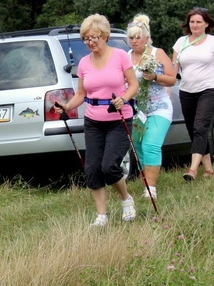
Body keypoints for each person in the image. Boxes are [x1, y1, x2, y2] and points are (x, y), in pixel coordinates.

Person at [54, 14, 139, 227]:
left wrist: (124, 99)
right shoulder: (84, 63)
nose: (90, 42)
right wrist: (66, 107)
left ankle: (126, 200)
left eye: (94, 37)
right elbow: (81, 94)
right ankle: (101, 216)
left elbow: (133, 85)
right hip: (93, 121)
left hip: (119, 119)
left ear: (105, 36)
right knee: (92, 169)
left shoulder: (120, 56)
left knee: (109, 166)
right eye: (86, 39)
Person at [126, 14, 174, 200]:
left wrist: (155, 77)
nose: (134, 41)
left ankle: (151, 188)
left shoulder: (157, 53)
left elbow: (171, 79)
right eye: (131, 37)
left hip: (159, 108)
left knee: (151, 144)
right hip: (137, 110)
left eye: (138, 37)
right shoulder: (126, 57)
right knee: (138, 146)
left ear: (147, 38)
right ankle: (145, 181)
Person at [172, 7, 214, 181]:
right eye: (192, 21)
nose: (195, 25)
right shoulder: (181, 42)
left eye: (199, 22)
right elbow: (173, 70)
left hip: (209, 89)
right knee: (194, 131)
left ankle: (192, 170)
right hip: (186, 91)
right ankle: (208, 169)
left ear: (206, 24)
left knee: (200, 127)